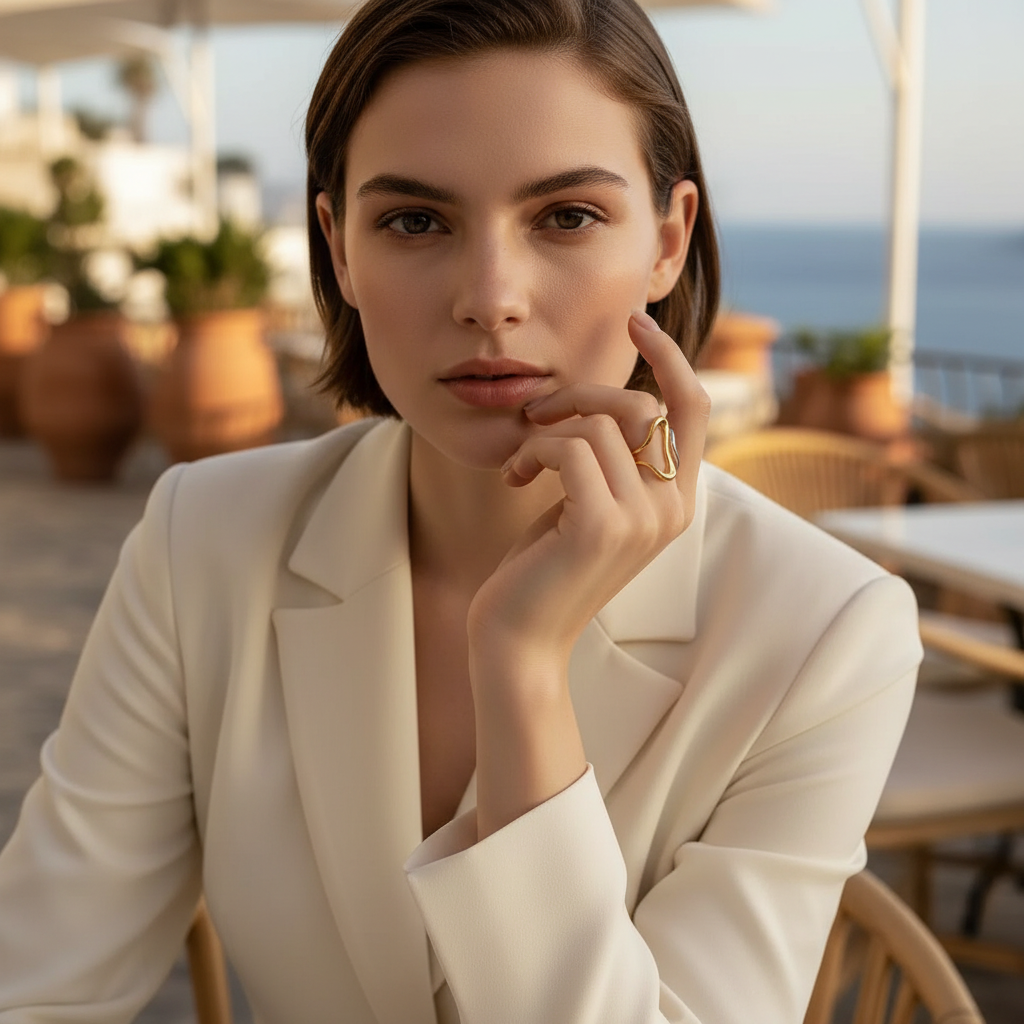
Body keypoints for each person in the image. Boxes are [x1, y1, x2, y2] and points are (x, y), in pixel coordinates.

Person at [0, 0, 922, 1021]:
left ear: (668, 240)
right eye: (414, 220)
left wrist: (522, 666)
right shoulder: (204, 539)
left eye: (566, 216)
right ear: (338, 248)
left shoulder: (824, 629)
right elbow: (39, 983)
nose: (490, 296)